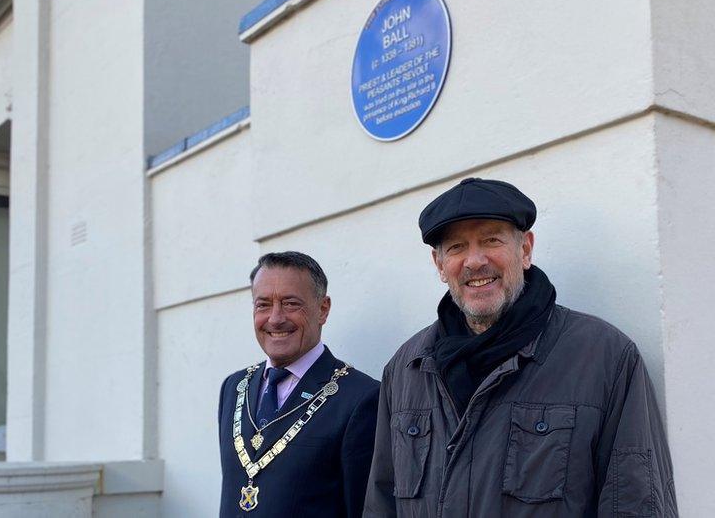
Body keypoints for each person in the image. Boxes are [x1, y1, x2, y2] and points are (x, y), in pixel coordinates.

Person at [363, 178, 678, 517]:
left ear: (525, 249)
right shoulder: (406, 368)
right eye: (456, 247)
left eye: (491, 240)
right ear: (440, 265)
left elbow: (634, 503)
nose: (474, 261)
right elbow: (382, 502)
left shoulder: (605, 358)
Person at [219, 251, 379, 517]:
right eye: (263, 304)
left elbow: (364, 508)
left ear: (323, 309)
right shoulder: (234, 387)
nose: (275, 318)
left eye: (291, 304)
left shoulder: (361, 398)